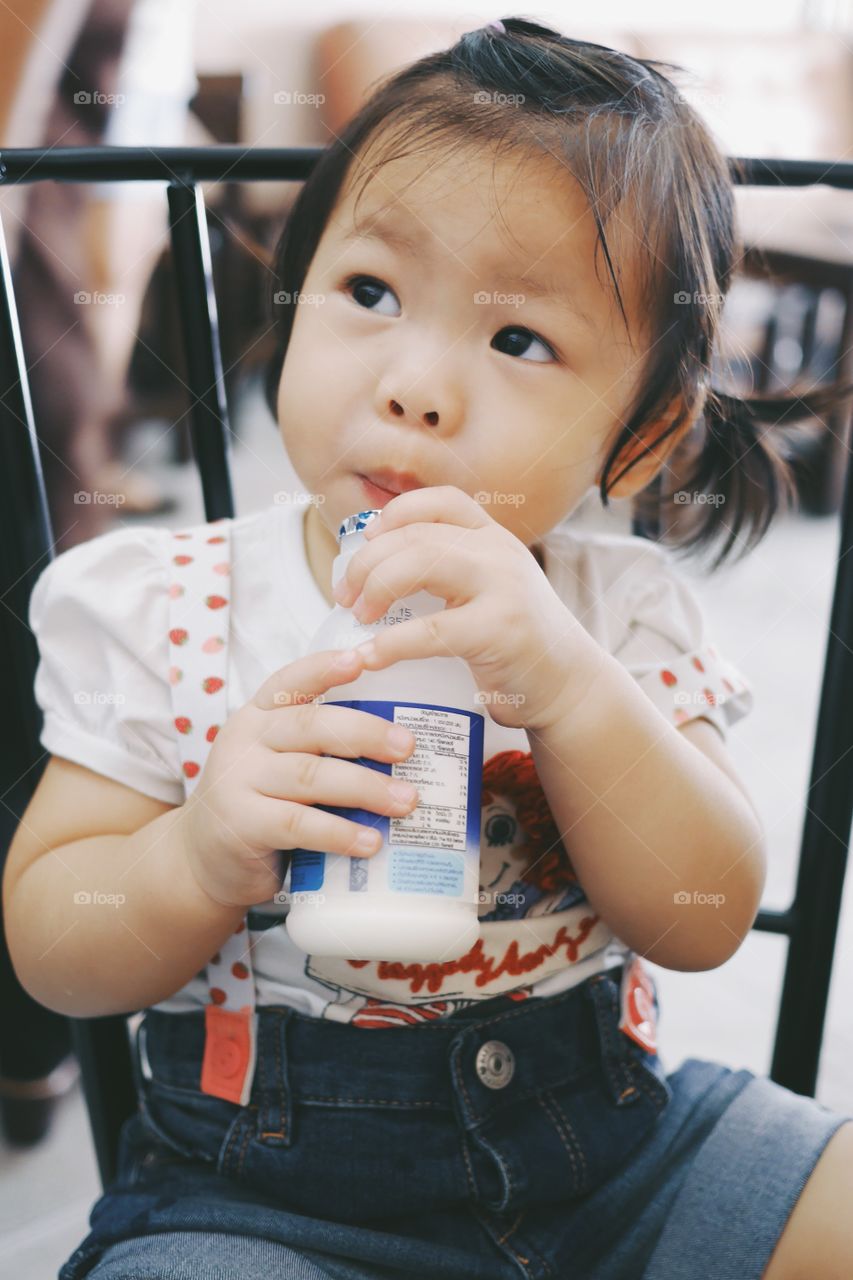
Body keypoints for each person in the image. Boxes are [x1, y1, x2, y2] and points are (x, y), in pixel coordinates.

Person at [4, 17, 852, 1279]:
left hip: (618, 1159)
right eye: (369, 292)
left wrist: (567, 687)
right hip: (259, 1193)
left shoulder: (617, 612)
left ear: (635, 436)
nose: (414, 382)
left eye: (518, 340)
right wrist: (192, 851)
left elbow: (704, 913)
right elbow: (50, 943)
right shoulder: (164, 604)